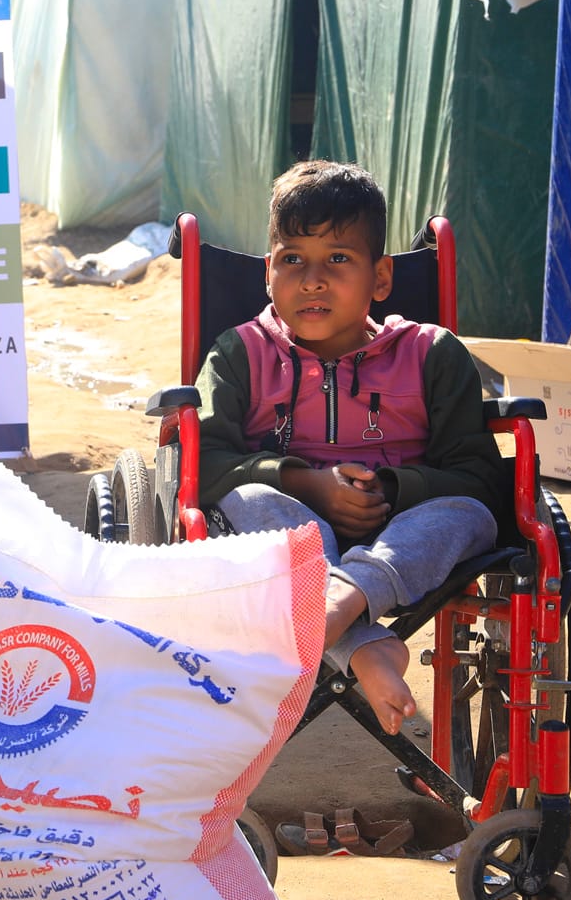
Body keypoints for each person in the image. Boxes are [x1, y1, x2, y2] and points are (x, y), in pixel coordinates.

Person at [196, 160, 504, 736]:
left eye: (338, 258)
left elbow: (480, 477)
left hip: (408, 529)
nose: (312, 279)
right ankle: (360, 640)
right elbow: (203, 465)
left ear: (381, 278)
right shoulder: (239, 354)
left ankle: (341, 600)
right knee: (252, 500)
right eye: (293, 259)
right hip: (292, 528)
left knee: (467, 514)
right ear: (269, 273)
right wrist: (305, 482)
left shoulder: (432, 354)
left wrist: (395, 487)